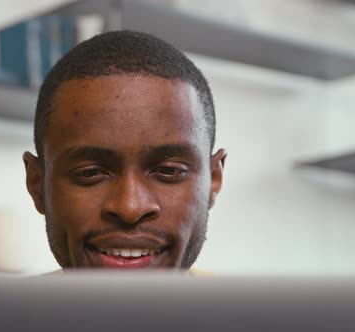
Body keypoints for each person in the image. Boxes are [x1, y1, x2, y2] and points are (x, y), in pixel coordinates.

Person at [23, 30, 226, 271]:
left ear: (214, 180)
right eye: (90, 173)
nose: (130, 208)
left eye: (169, 170)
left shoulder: (252, 310)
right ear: (37, 184)